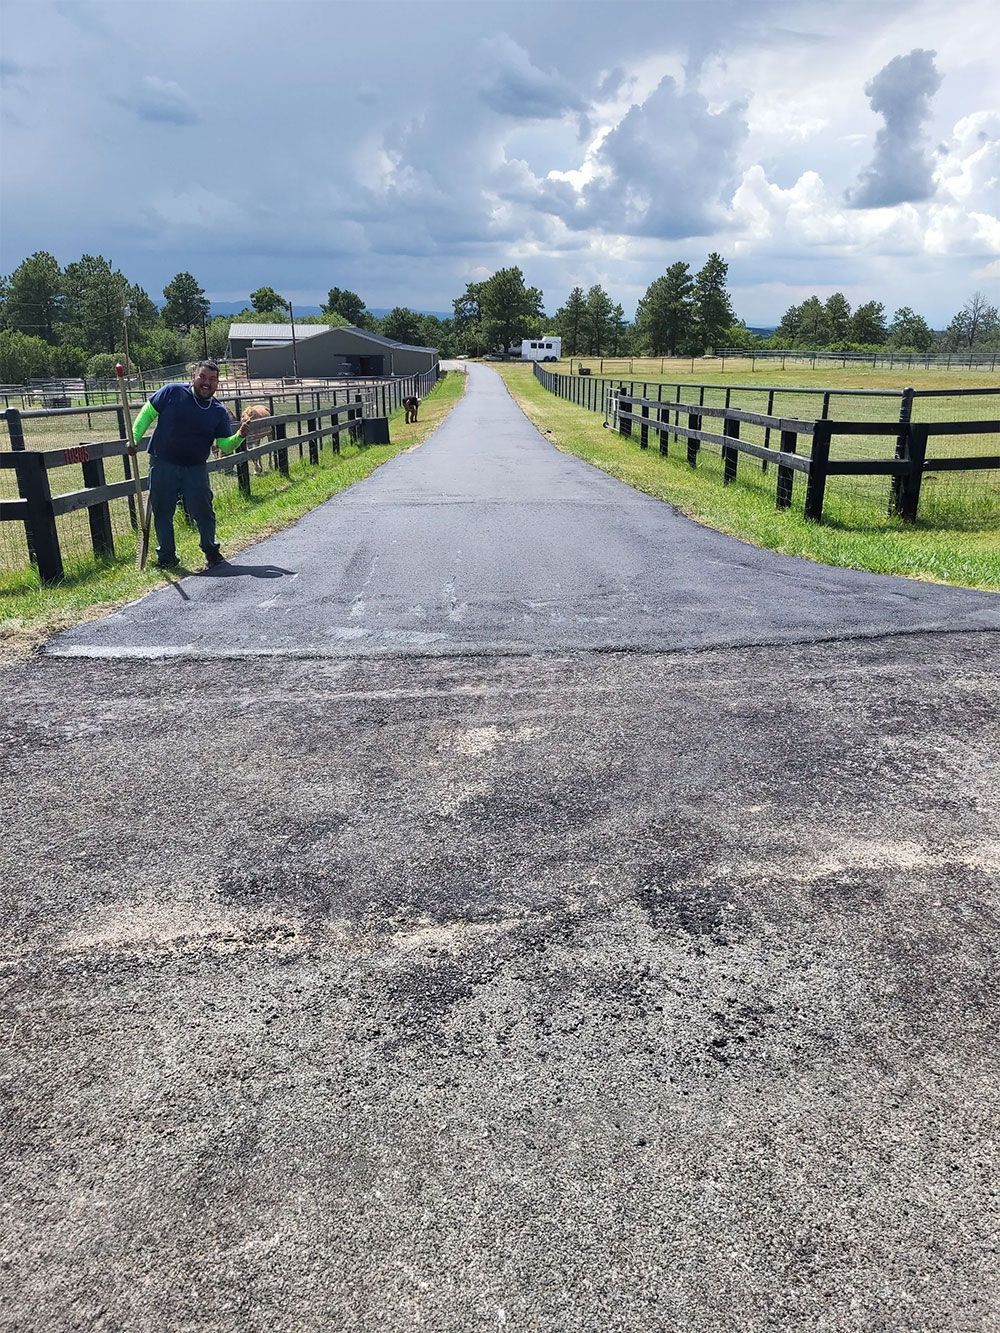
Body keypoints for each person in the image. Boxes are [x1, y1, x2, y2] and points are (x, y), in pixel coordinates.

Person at [129, 361, 244, 570]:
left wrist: (240, 436)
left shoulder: (218, 411)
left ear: (217, 383)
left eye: (212, 379)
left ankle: (211, 551)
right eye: (203, 377)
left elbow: (224, 445)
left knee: (203, 510)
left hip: (195, 468)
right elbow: (147, 413)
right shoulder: (172, 392)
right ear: (194, 376)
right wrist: (135, 438)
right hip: (163, 463)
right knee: (163, 511)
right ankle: (166, 558)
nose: (207, 383)